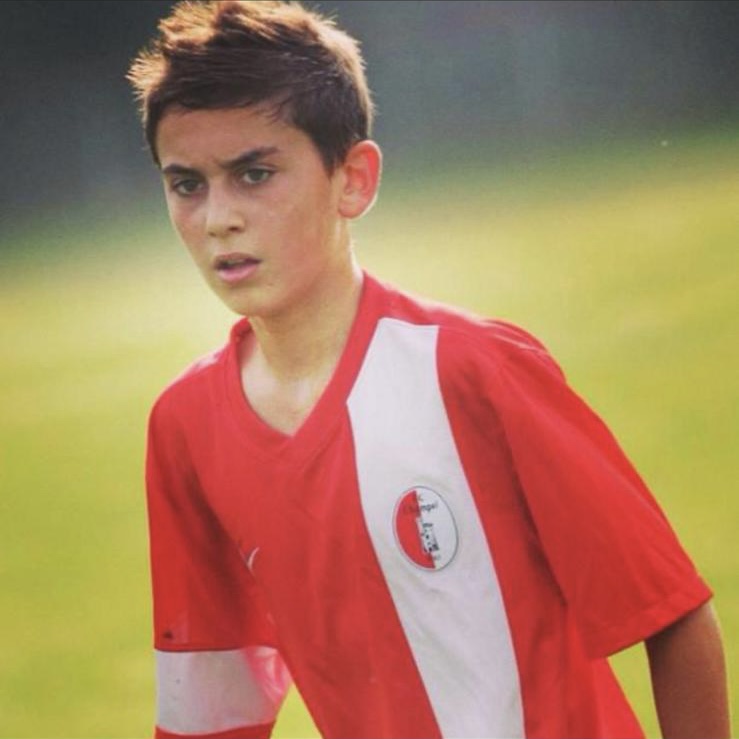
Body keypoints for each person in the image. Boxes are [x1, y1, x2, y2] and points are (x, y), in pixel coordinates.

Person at [127, 2, 730, 738]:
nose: (217, 217)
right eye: (187, 184)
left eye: (254, 174)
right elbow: (211, 702)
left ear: (353, 180)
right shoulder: (185, 425)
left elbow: (669, 614)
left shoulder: (474, 369)